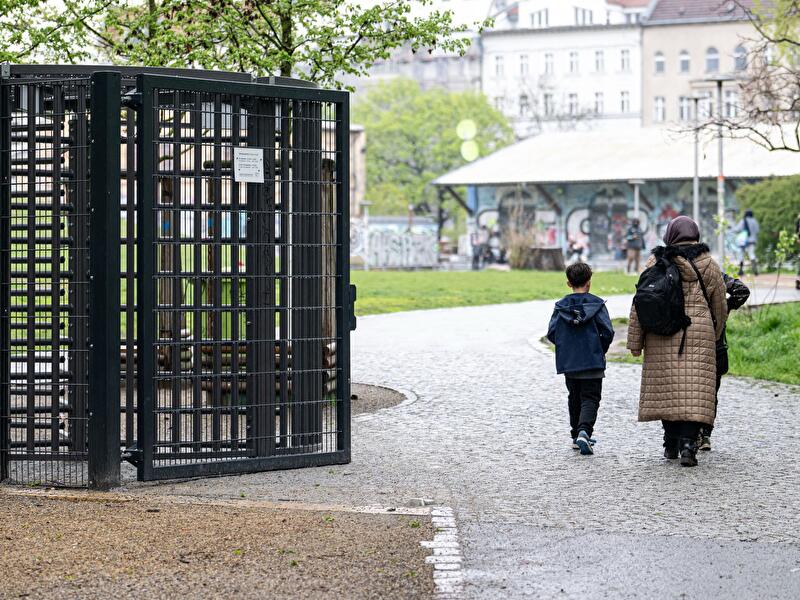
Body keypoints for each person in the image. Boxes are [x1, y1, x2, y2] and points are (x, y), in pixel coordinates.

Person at [626, 216, 727, 467]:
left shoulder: (656, 261)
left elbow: (640, 302)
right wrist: (715, 334)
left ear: (670, 235)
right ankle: (688, 446)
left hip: (661, 333)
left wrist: (635, 342)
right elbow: (720, 306)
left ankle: (670, 443)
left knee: (667, 390)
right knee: (695, 392)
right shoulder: (709, 264)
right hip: (698, 332)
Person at [547, 263, 615, 455]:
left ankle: (576, 435)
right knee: (590, 397)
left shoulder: (560, 307)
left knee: (574, 397)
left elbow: (552, 333)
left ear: (569, 283)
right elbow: (607, 332)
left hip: (570, 361)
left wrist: (566, 347)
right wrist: (600, 349)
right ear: (589, 282)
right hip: (592, 359)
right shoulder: (597, 305)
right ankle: (584, 431)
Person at [698, 273, 750, 451]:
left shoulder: (677, 272)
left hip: (687, 342)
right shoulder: (714, 273)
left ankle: (690, 436)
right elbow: (742, 291)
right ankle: (705, 435)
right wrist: (723, 309)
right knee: (712, 391)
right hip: (716, 342)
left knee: (688, 389)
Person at [735, 209, 760, 276]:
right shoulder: (755, 221)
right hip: (752, 241)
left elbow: (737, 229)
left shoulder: (743, 220)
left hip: (744, 240)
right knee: (752, 254)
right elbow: (757, 231)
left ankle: (741, 270)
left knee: (741, 255)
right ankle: (755, 270)